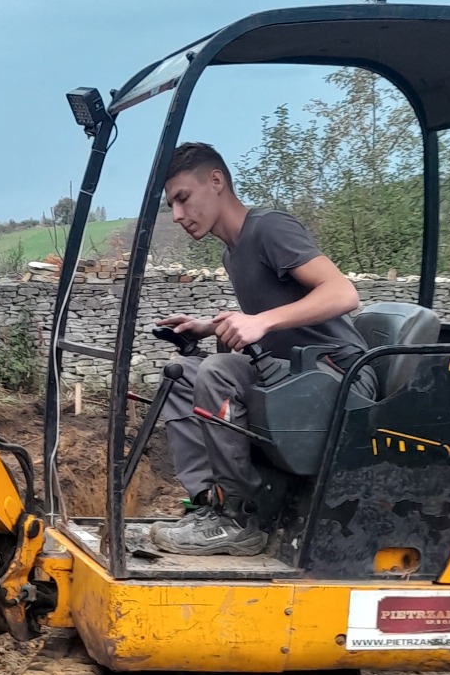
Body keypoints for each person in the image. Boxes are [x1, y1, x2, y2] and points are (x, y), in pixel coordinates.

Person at [151, 142, 375, 555]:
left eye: (183, 199)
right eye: (172, 206)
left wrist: (261, 321)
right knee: (182, 376)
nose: (178, 215)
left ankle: (240, 518)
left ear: (216, 181)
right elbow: (272, 313)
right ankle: (212, 505)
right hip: (294, 375)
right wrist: (207, 327)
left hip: (338, 377)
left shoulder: (268, 228)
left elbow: (343, 293)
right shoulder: (232, 251)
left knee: (218, 371)